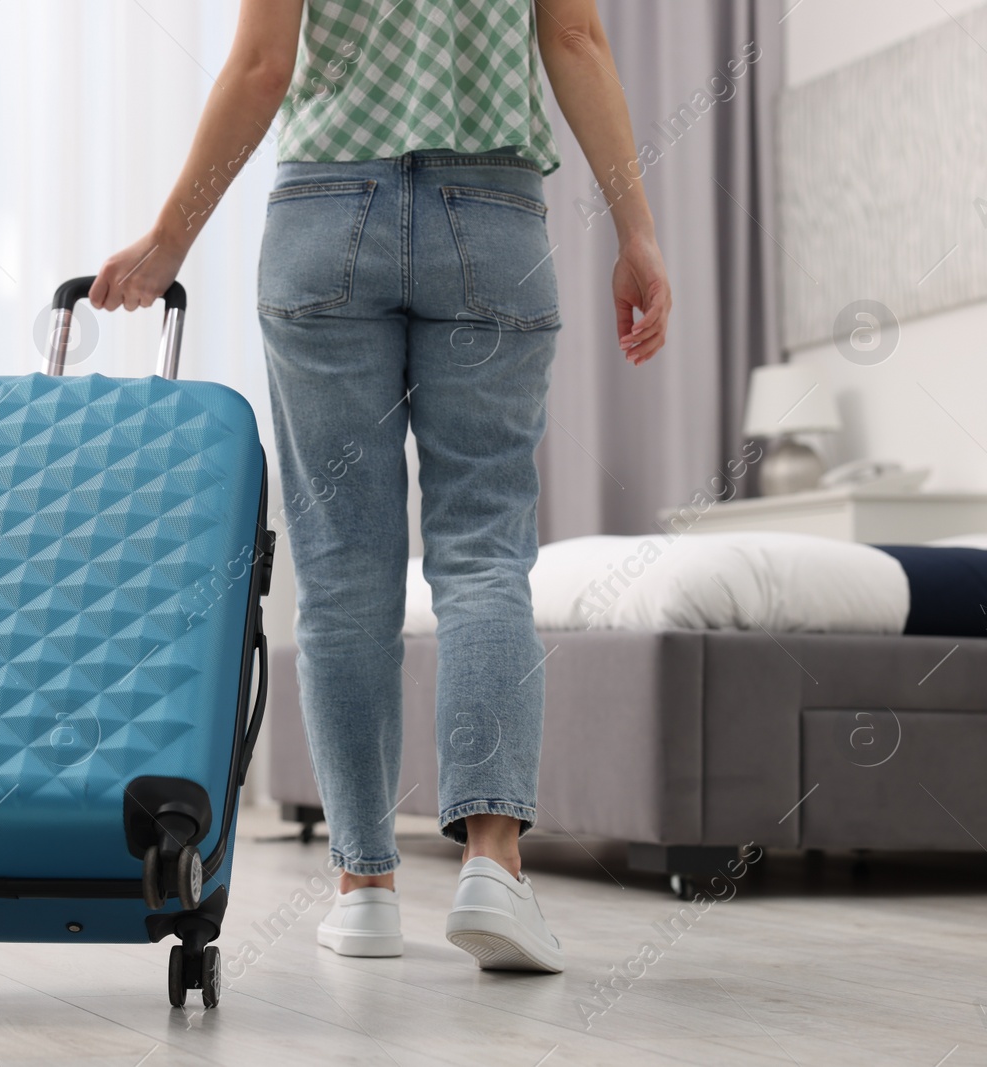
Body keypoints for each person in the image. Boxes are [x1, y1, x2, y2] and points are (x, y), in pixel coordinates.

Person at [91, 0, 669, 971]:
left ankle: (364, 888)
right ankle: (494, 865)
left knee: (342, 570)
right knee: (484, 550)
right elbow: (574, 40)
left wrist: (168, 240)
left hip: (326, 221)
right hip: (491, 223)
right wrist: (636, 232)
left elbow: (261, 68)